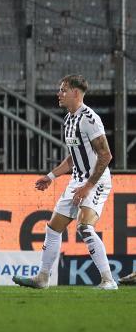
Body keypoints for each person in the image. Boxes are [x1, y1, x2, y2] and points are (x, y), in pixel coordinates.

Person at [13, 75, 117, 290]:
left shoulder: (89, 119)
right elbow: (73, 157)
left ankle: (109, 280)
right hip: (77, 181)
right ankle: (42, 278)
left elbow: (105, 155)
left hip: (96, 181)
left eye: (63, 90)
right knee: (53, 229)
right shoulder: (70, 119)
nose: (58, 94)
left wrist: (87, 186)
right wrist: (51, 176)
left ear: (75, 93)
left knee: (85, 227)